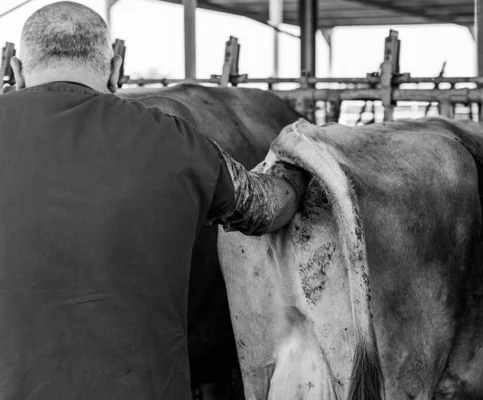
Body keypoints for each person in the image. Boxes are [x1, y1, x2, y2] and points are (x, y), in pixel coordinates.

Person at [0, 2, 309, 399]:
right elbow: (268, 208)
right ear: (115, 71)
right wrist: (300, 164)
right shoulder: (173, 140)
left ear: (15, 70)